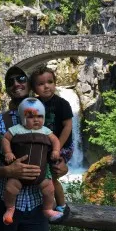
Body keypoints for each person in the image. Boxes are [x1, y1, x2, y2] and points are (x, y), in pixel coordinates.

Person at [0, 65, 68, 231]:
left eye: (20, 78)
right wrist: (9, 171)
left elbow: (56, 155)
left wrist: (62, 166)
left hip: (38, 207)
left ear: (30, 85)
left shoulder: (47, 118)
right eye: (10, 81)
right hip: (5, 203)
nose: (16, 83)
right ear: (6, 88)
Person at [2, 97, 63, 225]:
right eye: (30, 117)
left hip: (40, 174)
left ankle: (47, 209)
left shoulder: (45, 130)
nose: (36, 120)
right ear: (23, 118)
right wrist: (8, 152)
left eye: (40, 116)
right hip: (18, 174)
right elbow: (5, 139)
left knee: (49, 189)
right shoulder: (16, 129)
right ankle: (10, 209)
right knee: (10, 188)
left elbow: (55, 140)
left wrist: (56, 151)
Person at [30, 66, 74, 215]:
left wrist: (57, 148)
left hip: (62, 146)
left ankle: (61, 206)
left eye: (50, 82)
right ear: (34, 88)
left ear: (55, 83)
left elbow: (68, 126)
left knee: (52, 177)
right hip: (45, 148)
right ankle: (48, 204)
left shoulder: (62, 104)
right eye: (41, 84)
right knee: (44, 176)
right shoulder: (34, 104)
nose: (46, 86)